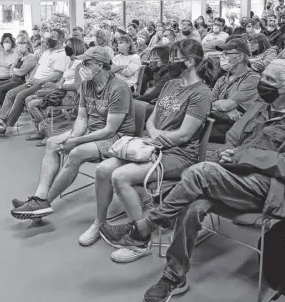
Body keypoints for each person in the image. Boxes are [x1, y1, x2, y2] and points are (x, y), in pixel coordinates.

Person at [104, 59, 285, 302]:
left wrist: (241, 155)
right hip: (232, 178)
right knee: (192, 205)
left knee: (200, 171)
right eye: (263, 76)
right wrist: (229, 152)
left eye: (270, 80)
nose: (262, 83)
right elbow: (234, 135)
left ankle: (146, 226)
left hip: (272, 190)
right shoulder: (260, 107)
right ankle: (174, 276)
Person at [82, 39, 213, 257]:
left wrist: (158, 139)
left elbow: (185, 135)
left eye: (174, 58)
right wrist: (153, 134)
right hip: (152, 145)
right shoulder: (172, 84)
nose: (169, 62)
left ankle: (140, 240)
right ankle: (99, 222)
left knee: (120, 177)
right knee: (103, 170)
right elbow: (152, 119)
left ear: (189, 62)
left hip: (179, 154)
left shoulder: (201, 93)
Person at [10, 46, 136, 220]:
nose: (82, 66)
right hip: (93, 131)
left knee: (76, 152)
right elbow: (82, 118)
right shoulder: (87, 84)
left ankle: (43, 203)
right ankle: (39, 197)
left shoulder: (118, 88)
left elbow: (110, 130)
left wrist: (76, 142)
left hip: (118, 138)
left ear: (100, 65)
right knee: (52, 143)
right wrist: (74, 136)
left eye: (86, 63)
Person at [0, 28, 70, 135]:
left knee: (20, 95)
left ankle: (6, 125)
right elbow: (38, 67)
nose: (49, 39)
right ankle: (0, 120)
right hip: (34, 81)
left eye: (52, 37)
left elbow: (58, 75)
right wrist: (31, 78)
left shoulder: (63, 54)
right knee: (10, 93)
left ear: (60, 40)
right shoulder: (46, 52)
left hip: (44, 84)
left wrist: (40, 80)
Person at [25, 37, 85, 142]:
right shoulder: (70, 63)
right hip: (62, 92)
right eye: (66, 44)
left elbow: (76, 85)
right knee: (28, 99)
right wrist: (50, 85)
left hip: (72, 95)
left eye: (69, 45)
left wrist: (58, 87)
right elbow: (60, 82)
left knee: (32, 104)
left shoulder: (79, 63)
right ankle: (41, 131)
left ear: (76, 47)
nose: (66, 47)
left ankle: (47, 134)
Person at [209, 38, 261, 143]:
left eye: (226, 53)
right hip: (217, 124)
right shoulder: (222, 79)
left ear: (240, 57)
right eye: (222, 53)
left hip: (235, 131)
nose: (222, 57)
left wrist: (221, 106)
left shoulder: (253, 79)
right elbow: (208, 101)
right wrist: (226, 109)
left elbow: (226, 105)